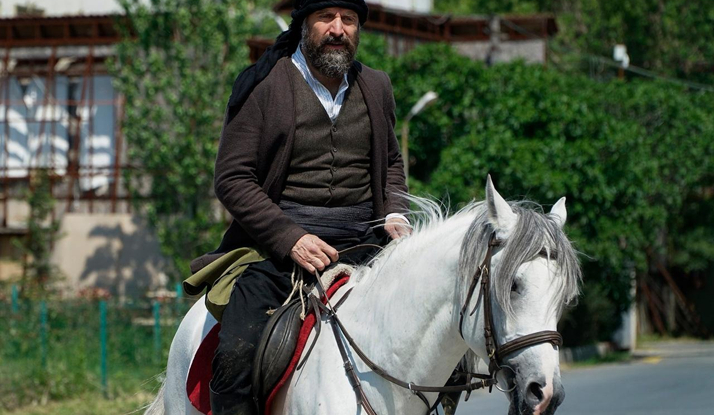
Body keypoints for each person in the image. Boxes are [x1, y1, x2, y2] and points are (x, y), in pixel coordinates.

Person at [187, 1, 411, 414]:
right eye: (326, 18)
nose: (338, 29)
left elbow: (392, 163)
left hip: (366, 241)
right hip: (278, 251)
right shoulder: (264, 84)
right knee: (234, 362)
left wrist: (396, 211)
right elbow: (232, 179)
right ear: (305, 25)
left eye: (348, 20)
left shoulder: (376, 85)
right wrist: (291, 238)